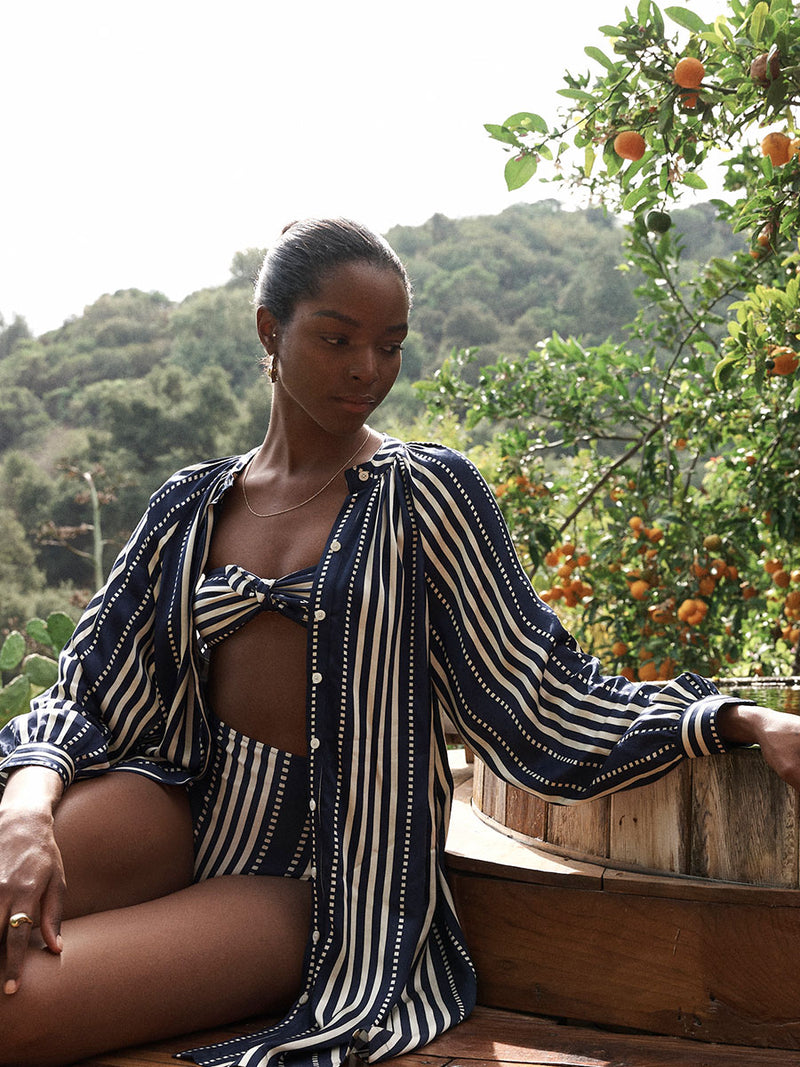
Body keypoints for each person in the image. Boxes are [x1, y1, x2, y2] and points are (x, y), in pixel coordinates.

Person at [1, 218, 800, 1067]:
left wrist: (736, 717)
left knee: (16, 1012)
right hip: (177, 805)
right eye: (338, 338)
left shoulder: (427, 495)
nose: (366, 369)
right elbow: (88, 688)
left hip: (318, 875)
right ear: (269, 330)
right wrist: (24, 808)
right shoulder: (189, 505)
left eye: (390, 346)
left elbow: (543, 695)